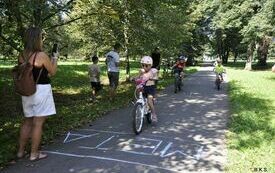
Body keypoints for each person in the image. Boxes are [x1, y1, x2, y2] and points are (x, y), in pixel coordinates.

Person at [17, 27, 58, 161]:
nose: (42, 39)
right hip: (41, 91)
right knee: (38, 123)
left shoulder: (22, 54)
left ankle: (21, 152)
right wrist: (55, 59)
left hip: (26, 90)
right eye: (41, 37)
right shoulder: (41, 55)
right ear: (37, 39)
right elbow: (52, 72)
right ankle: (34, 154)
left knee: (27, 121)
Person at [136, 56, 158, 122]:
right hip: (143, 86)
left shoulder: (153, 71)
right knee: (138, 89)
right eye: (143, 65)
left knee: (149, 100)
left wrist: (153, 78)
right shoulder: (142, 71)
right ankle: (139, 102)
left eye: (146, 65)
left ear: (150, 65)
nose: (144, 67)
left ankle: (153, 114)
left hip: (150, 88)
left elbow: (156, 78)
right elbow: (138, 77)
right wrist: (134, 78)